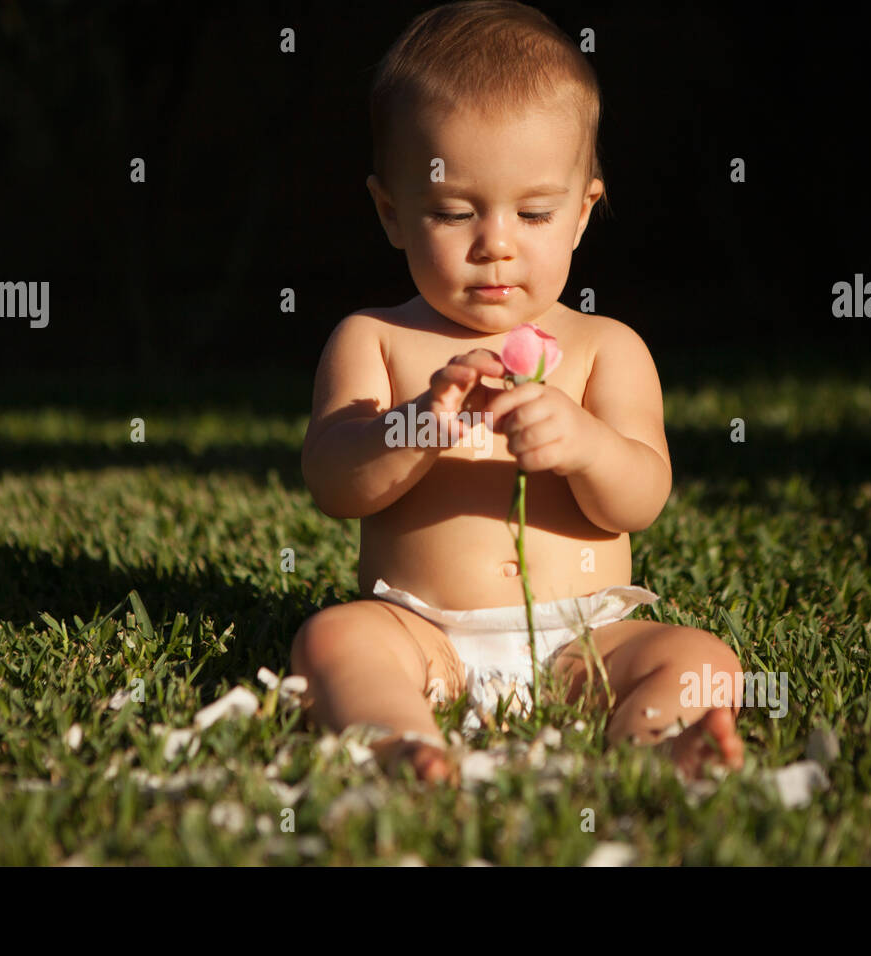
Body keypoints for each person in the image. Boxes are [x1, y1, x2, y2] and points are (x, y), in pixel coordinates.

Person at [290, 0, 745, 784]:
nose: (495, 243)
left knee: (702, 657)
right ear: (392, 213)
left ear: (581, 214)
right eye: (453, 211)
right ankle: (403, 742)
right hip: (423, 629)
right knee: (333, 640)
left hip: (583, 640)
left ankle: (653, 747)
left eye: (534, 212)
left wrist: (586, 446)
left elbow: (639, 497)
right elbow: (333, 481)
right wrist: (410, 429)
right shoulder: (375, 338)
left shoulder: (609, 349)